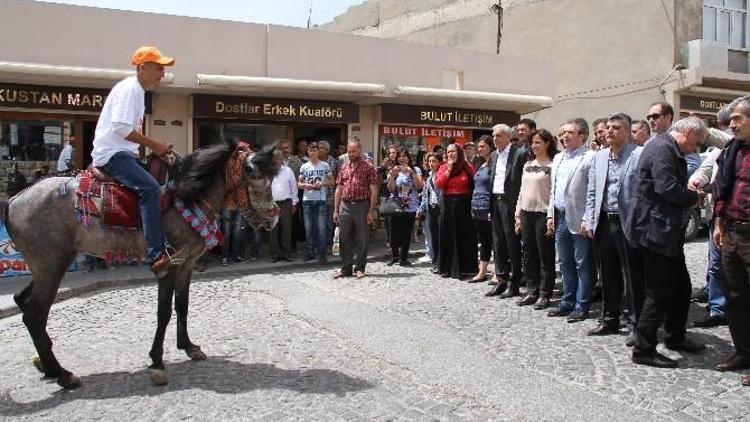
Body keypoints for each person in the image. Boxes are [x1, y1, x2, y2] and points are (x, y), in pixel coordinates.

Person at [627, 117, 708, 368]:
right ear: (686, 132)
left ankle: (675, 336)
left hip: (665, 231)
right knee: (658, 293)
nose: (696, 148)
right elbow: (667, 188)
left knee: (682, 288)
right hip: (656, 231)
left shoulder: (665, 146)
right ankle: (643, 349)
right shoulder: (662, 147)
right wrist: (693, 198)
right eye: (697, 142)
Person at [91, 46, 174, 274]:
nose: (162, 74)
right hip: (113, 155)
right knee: (150, 189)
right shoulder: (131, 89)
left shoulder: (135, 89)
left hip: (122, 153)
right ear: (142, 67)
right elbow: (120, 128)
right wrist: (155, 145)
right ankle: (155, 253)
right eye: (158, 68)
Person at [582, 113, 644, 339]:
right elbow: (592, 190)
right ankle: (609, 319)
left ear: (628, 132)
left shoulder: (638, 155)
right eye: (608, 127)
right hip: (604, 221)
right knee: (608, 274)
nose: (610, 131)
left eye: (616, 127)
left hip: (627, 222)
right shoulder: (599, 157)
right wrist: (589, 218)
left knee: (633, 276)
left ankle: (635, 324)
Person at [713, 96, 750, 381]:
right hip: (732, 231)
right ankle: (743, 351)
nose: (732, 124)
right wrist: (718, 223)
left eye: (737, 119)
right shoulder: (733, 150)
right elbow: (722, 189)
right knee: (735, 296)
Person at [546, 118, 596, 322]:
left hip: (579, 217)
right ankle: (567, 300)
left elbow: (592, 191)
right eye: (563, 133)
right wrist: (551, 214)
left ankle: (582, 304)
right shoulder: (558, 158)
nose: (564, 136)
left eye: (570, 133)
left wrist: (588, 218)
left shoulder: (590, 157)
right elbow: (554, 190)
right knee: (564, 262)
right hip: (560, 216)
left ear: (583, 136)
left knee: (582, 263)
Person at [514, 129, 557, 309]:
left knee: (544, 254)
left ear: (547, 143)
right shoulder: (527, 164)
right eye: (533, 142)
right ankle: (532, 291)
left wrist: (551, 215)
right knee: (529, 254)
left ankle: (545, 293)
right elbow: (522, 191)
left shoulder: (554, 165)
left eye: (538, 142)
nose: (534, 145)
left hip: (543, 213)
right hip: (527, 213)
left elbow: (554, 193)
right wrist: (518, 214)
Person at [485, 124, 528, 297]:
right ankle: (501, 279)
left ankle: (514, 281)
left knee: (512, 243)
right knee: (498, 243)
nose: (495, 138)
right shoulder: (494, 155)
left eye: (499, 135)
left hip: (511, 203)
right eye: (494, 135)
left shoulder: (519, 154)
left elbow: (524, 182)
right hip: (496, 201)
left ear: (509, 137)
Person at [333, 139, 379, 279]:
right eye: (349, 151)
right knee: (344, 238)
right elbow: (338, 189)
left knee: (362, 238)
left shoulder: (368, 167)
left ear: (359, 150)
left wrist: (371, 210)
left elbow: (374, 189)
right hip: (345, 206)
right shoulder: (344, 168)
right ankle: (345, 268)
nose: (351, 154)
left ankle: (360, 268)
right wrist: (336, 210)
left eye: (354, 151)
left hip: (362, 205)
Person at [435, 143, 478, 279]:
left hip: (464, 205)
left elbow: (475, 181)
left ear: (459, 152)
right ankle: (448, 268)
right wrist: (449, 169)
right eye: (448, 152)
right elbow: (438, 184)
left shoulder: (467, 166)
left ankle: (467, 268)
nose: (450, 154)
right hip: (448, 205)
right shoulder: (443, 167)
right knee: (449, 235)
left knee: (464, 235)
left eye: (453, 151)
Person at [386, 149, 424, 266]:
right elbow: (391, 189)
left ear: (409, 158)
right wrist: (392, 176)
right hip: (396, 205)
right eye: (399, 157)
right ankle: (394, 257)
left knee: (406, 233)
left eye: (404, 156)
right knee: (394, 232)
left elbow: (419, 186)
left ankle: (404, 258)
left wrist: (411, 173)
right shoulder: (394, 170)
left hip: (410, 205)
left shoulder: (415, 169)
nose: (402, 159)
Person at [298, 141, 333, 264]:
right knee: (308, 228)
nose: (312, 152)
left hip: (321, 200)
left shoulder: (324, 165)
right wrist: (306, 185)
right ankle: (309, 252)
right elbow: (299, 183)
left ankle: (322, 253)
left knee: (321, 228)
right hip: (307, 200)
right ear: (308, 152)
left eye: (314, 150)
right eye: (310, 150)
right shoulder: (304, 166)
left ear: (318, 151)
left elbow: (332, 181)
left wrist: (322, 183)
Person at [468, 136, 494, 283]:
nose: (480, 149)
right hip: (477, 207)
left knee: (495, 242)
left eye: (483, 146)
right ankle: (482, 271)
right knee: (484, 241)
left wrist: (492, 208)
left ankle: (498, 272)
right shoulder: (481, 165)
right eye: (479, 146)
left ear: (490, 147)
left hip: (488, 207)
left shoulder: (494, 165)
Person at [270, 149, 298, 263]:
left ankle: (287, 253)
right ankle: (275, 254)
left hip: (286, 203)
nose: (277, 161)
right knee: (273, 229)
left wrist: (294, 203)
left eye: (279, 158)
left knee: (286, 229)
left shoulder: (288, 171)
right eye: (275, 158)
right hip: (272, 204)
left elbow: (294, 187)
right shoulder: (268, 172)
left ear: (282, 159)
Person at [417, 152, 443, 271]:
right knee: (433, 236)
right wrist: (421, 209)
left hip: (441, 208)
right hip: (431, 209)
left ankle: (441, 261)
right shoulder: (429, 177)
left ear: (439, 162)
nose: (431, 163)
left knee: (441, 236)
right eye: (430, 161)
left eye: (434, 161)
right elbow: (425, 196)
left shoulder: (442, 175)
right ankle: (436, 260)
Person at [319, 140, 339, 254]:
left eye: (321, 148)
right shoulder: (314, 162)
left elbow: (336, 181)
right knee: (318, 223)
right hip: (316, 197)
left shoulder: (334, 162)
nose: (319, 150)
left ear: (327, 150)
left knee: (328, 224)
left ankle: (328, 246)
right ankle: (319, 246)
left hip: (330, 196)